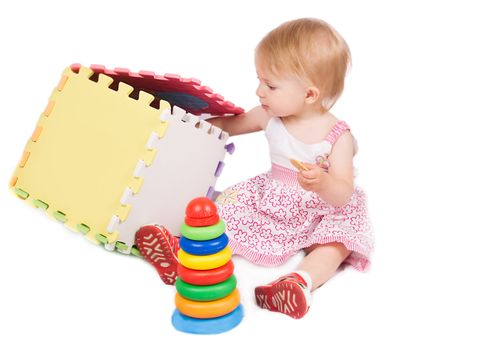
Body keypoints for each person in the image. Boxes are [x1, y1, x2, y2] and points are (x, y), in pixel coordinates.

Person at [135, 18, 374, 319]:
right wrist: (186, 126)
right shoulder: (268, 116)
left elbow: (343, 192)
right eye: (259, 80)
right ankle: (184, 255)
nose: (259, 91)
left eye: (270, 85)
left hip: (322, 206)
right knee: (229, 210)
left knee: (337, 241)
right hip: (273, 197)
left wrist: (324, 183)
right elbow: (227, 126)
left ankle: (299, 282)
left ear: (309, 94)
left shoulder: (337, 137)